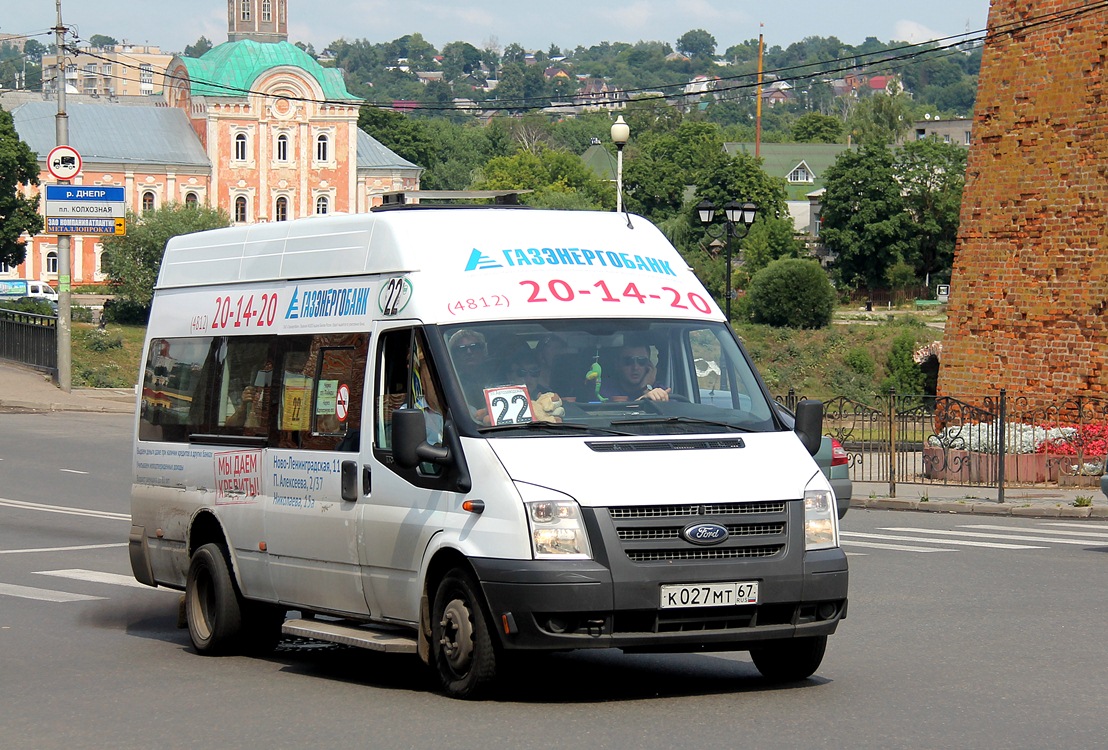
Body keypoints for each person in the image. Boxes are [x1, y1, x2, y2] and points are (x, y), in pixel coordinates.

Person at [600, 341, 670, 402]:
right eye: (628, 361)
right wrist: (644, 398)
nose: (635, 367)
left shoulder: (658, 390)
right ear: (617, 365)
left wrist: (647, 388)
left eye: (641, 361)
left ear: (649, 365)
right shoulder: (605, 389)